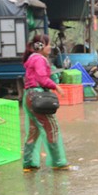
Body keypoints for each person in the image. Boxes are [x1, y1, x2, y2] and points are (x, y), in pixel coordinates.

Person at [22, 34, 70, 172]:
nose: (50, 47)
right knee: (52, 128)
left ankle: (29, 163)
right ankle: (58, 162)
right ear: (40, 46)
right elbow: (42, 79)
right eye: (48, 44)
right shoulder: (39, 59)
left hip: (29, 97)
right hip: (37, 98)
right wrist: (57, 86)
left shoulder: (32, 58)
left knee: (33, 130)